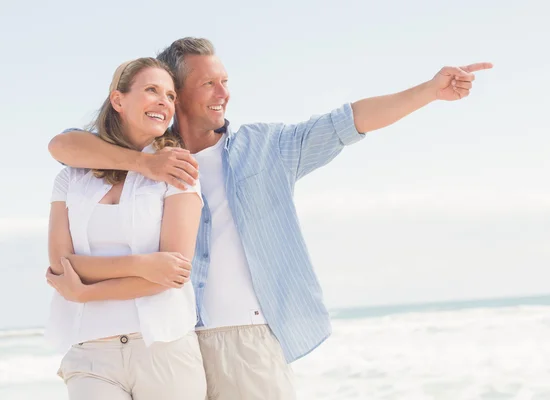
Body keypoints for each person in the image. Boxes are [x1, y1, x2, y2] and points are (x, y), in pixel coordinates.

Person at [48, 37, 493, 400]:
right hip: (165, 338)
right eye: (208, 84)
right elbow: (67, 145)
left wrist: (428, 91)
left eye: (225, 82)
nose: (224, 93)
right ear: (176, 92)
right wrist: (142, 163)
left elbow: (348, 122)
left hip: (240, 338)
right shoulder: (140, 158)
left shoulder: (267, 148)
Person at [45, 57, 207, 400]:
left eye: (170, 95)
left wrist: (86, 290)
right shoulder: (71, 177)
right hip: (90, 353)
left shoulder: (181, 173)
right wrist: (142, 265)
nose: (164, 101)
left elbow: (173, 272)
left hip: (165, 349)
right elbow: (62, 266)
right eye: (151, 90)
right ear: (118, 100)